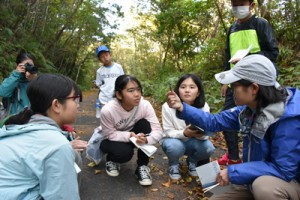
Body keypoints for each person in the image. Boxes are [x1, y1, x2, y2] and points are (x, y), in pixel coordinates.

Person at [167, 55, 300, 200]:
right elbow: (214, 121)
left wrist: (234, 172)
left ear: (254, 88)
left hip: (285, 182)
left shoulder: (288, 119)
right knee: (216, 195)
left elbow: (283, 170)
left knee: (264, 188)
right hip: (255, 178)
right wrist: (181, 107)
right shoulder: (249, 109)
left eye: (234, 86)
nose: (230, 90)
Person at [0, 74, 81, 200]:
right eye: (75, 99)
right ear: (56, 105)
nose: (78, 105)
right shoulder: (57, 145)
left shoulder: (18, 125)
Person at [219, 0, 279, 165]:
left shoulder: (260, 24)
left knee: (259, 121)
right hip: (235, 82)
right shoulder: (232, 28)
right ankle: (233, 157)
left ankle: (258, 161)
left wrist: (248, 57)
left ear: (252, 5)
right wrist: (225, 81)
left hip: (258, 83)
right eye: (234, 4)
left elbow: (272, 52)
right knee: (226, 117)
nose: (238, 8)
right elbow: (227, 55)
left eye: (241, 3)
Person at [100, 74, 163, 186]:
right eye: (131, 90)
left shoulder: (144, 105)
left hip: (135, 137)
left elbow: (157, 130)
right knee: (124, 154)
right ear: (118, 94)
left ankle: (142, 166)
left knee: (145, 124)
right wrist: (129, 136)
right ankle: (111, 159)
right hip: (111, 140)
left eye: (138, 90)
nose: (137, 94)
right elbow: (109, 134)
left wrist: (147, 139)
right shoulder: (108, 110)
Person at [161, 74, 215, 180]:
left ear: (198, 92)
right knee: (174, 147)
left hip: (195, 141)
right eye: (183, 87)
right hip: (175, 141)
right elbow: (167, 132)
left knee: (209, 148)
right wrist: (184, 133)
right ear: (177, 91)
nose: (187, 90)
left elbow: (206, 135)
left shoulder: (204, 107)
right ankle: (174, 164)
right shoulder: (167, 107)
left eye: (192, 87)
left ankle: (192, 161)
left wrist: (201, 133)